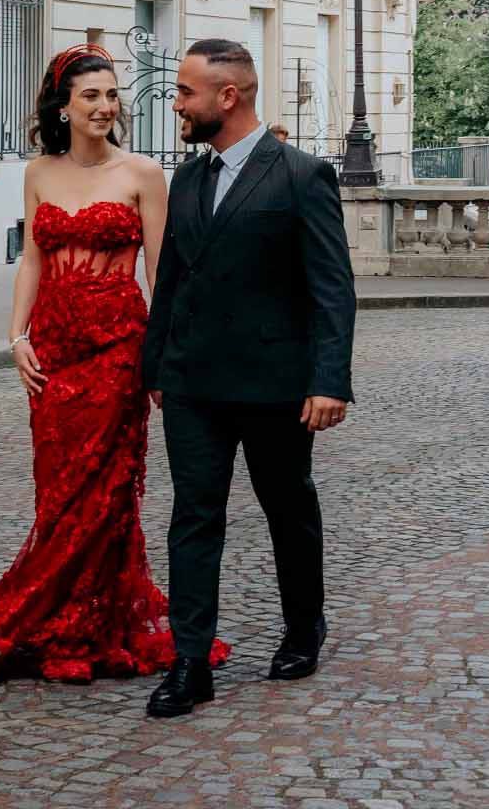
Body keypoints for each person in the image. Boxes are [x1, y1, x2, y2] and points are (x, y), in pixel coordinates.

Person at [0, 42, 230, 683]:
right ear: (63, 107)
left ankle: (84, 628)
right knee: (58, 493)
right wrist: (17, 337)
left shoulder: (144, 175)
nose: (104, 106)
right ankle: (60, 617)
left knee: (104, 494)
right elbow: (32, 261)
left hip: (119, 351)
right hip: (54, 356)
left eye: (112, 95)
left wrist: (163, 357)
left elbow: (163, 271)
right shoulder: (39, 172)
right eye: (90, 96)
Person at [142, 39, 356, 720]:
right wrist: (156, 369)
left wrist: (330, 381)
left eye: (185, 93)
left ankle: (303, 629)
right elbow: (171, 280)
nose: (176, 103)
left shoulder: (301, 174)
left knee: (288, 510)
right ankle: (189, 662)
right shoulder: (189, 179)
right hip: (193, 385)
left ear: (226, 97)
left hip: (276, 386)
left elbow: (332, 289)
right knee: (193, 518)